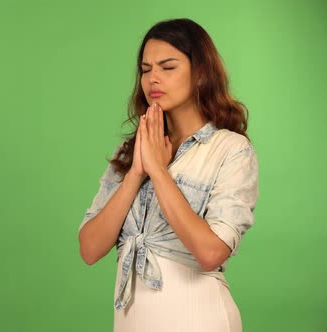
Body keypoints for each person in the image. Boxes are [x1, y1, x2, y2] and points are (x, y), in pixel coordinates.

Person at [77, 18, 259, 332]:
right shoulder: (131, 150)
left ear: (200, 71)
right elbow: (90, 249)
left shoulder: (230, 149)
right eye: (146, 69)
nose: (153, 79)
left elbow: (210, 252)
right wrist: (136, 171)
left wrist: (159, 173)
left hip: (199, 319)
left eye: (168, 67)